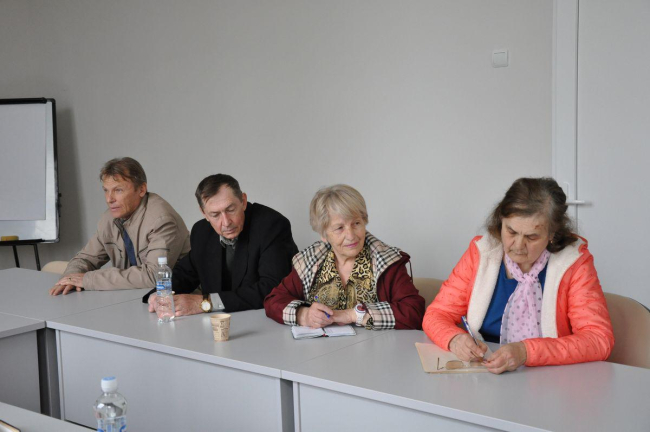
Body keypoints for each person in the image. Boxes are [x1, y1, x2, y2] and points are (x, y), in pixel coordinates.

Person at [423, 177, 614, 374]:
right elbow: (437, 314)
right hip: (484, 374)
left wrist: (526, 352)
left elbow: (599, 339)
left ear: (552, 233)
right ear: (501, 221)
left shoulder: (574, 263)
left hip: (549, 376)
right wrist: (454, 339)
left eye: (531, 237)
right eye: (511, 231)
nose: (518, 245)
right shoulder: (482, 253)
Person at [265, 184, 425, 330]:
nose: (351, 235)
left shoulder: (387, 260)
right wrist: (304, 315)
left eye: (356, 223)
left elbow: (414, 312)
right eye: (339, 228)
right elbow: (274, 300)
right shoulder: (310, 261)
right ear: (324, 234)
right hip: (320, 350)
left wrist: (352, 315)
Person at [146, 174, 298, 317]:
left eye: (230, 210)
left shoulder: (272, 225)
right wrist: (158, 295)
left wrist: (204, 303)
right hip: (217, 323)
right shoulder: (201, 231)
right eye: (215, 215)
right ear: (204, 213)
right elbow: (185, 274)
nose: (226, 222)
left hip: (264, 321)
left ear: (243, 201)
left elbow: (271, 289)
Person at [50, 157, 190, 294]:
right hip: (133, 297)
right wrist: (69, 279)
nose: (109, 199)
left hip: (175, 298)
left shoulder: (162, 220)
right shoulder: (108, 219)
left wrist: (89, 279)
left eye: (118, 190)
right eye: (106, 190)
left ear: (141, 189)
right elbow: (85, 259)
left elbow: (154, 276)